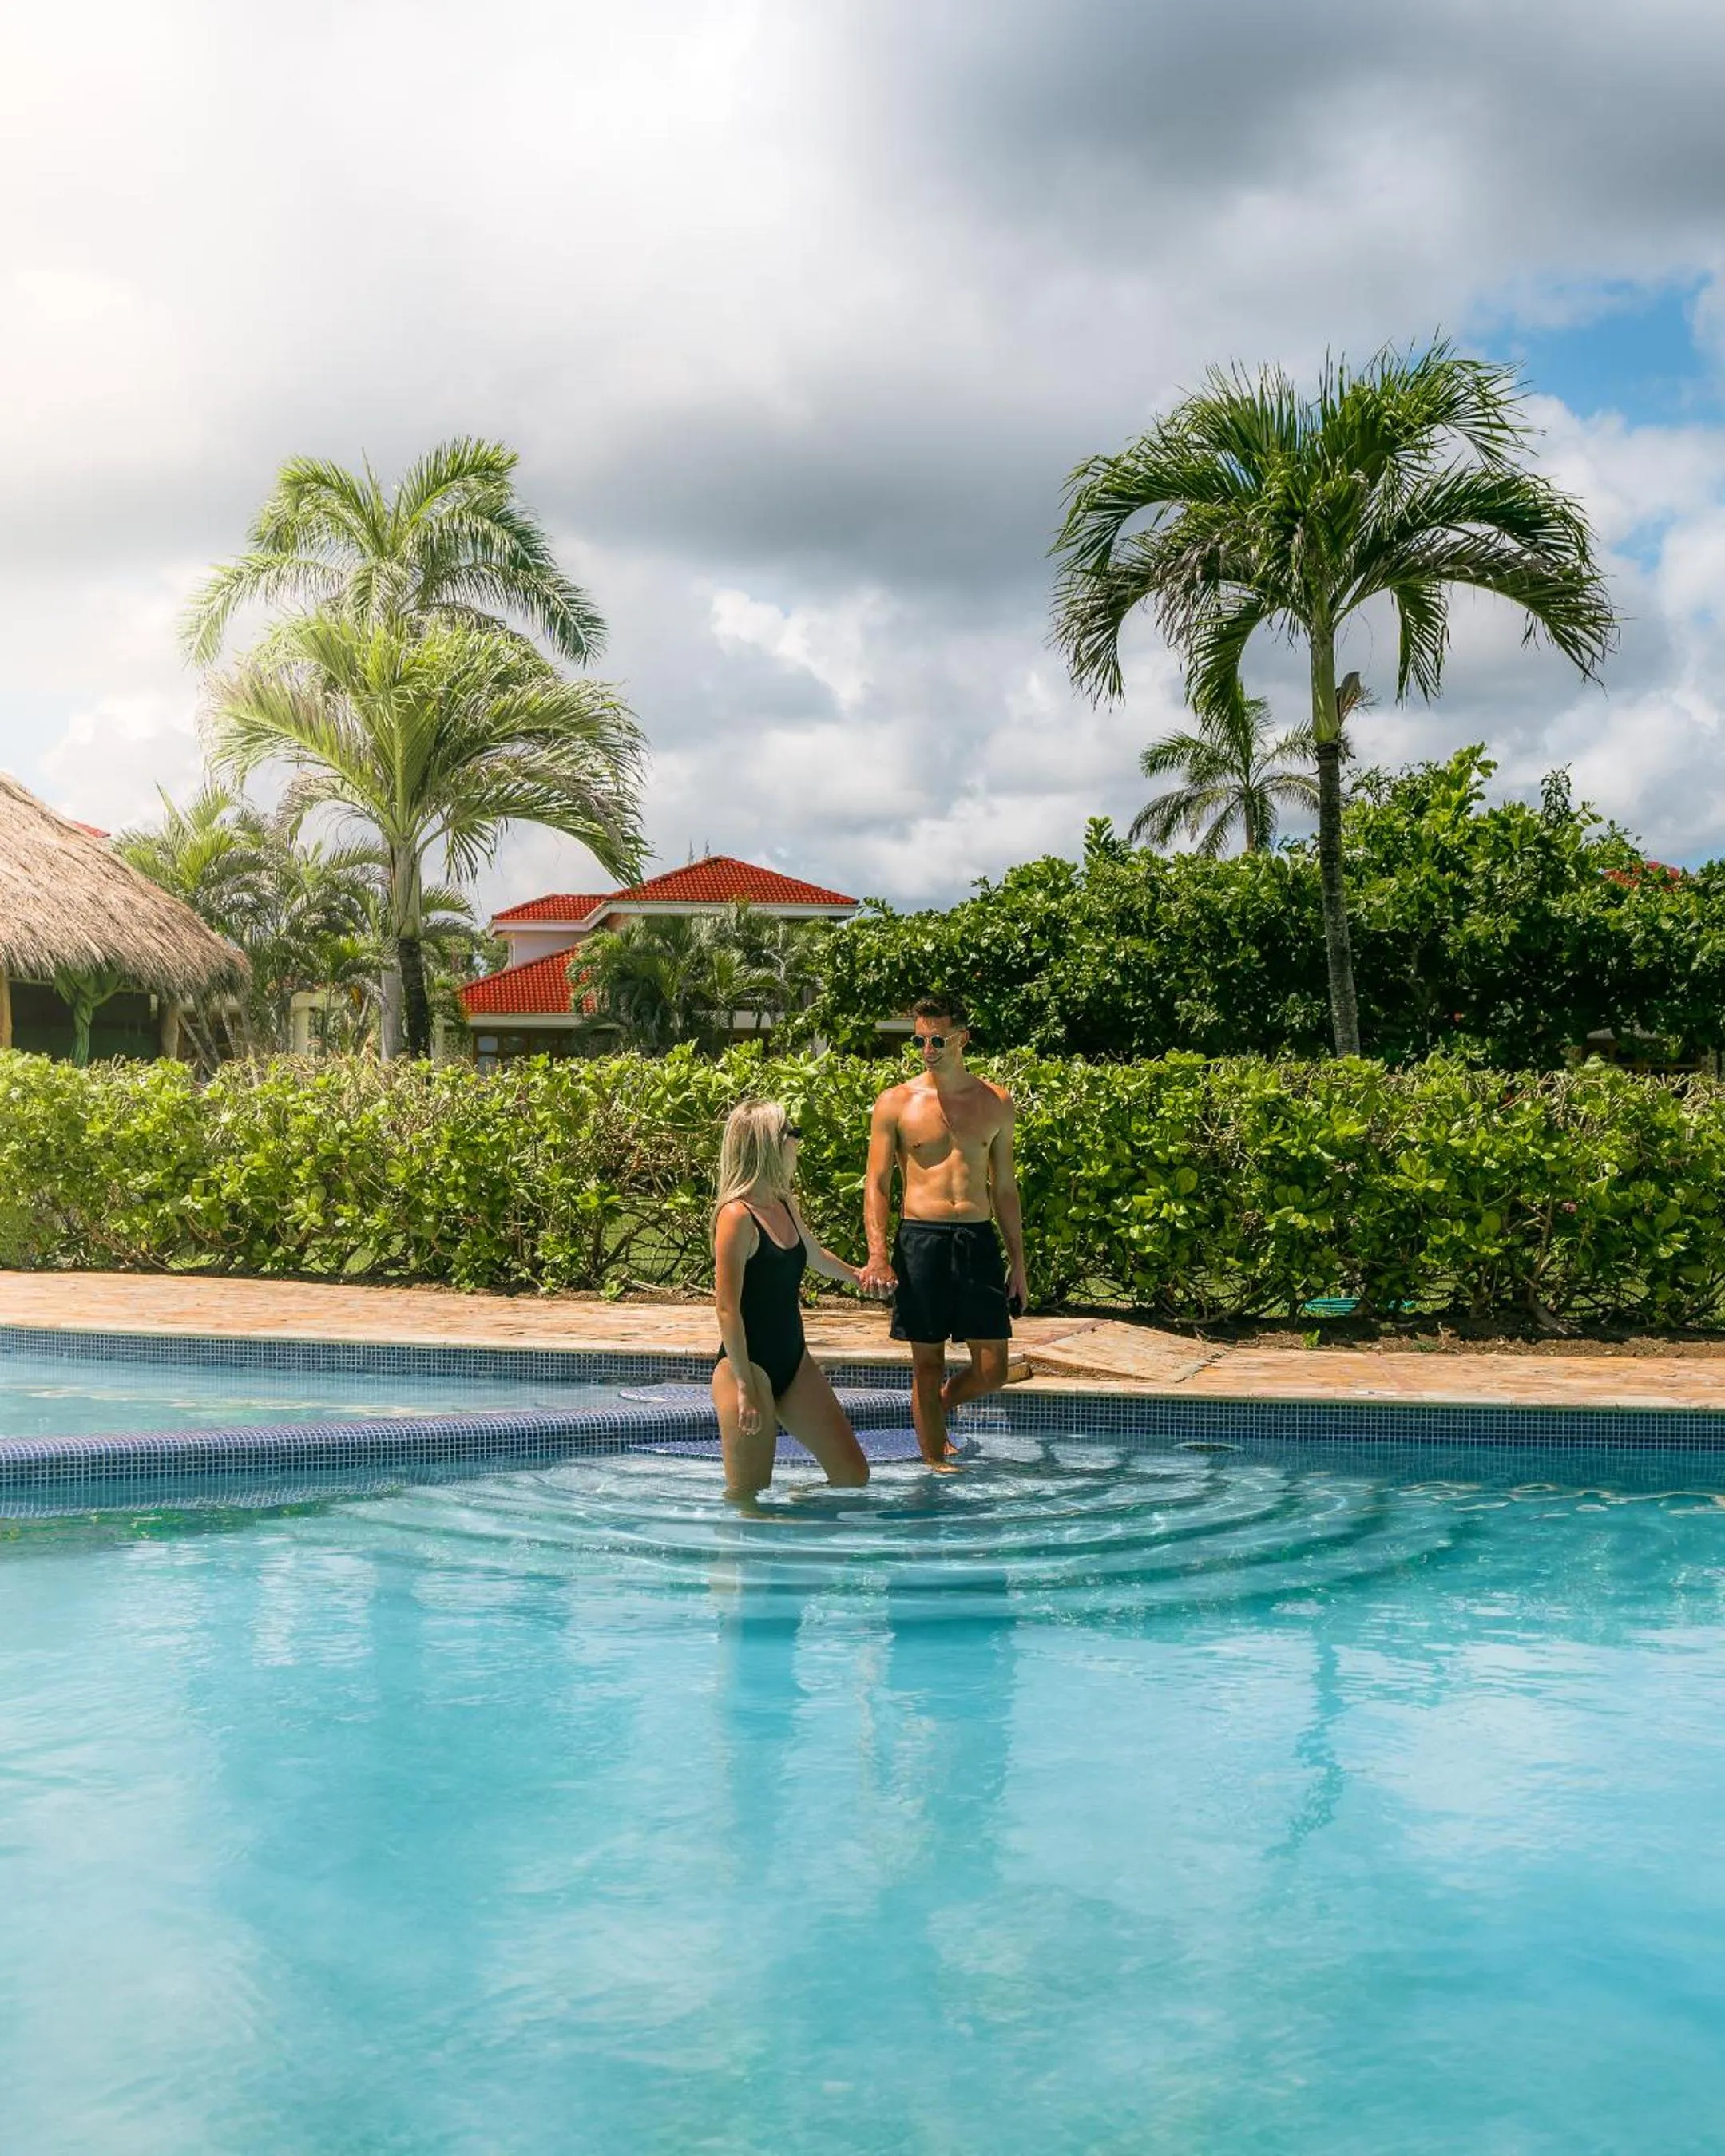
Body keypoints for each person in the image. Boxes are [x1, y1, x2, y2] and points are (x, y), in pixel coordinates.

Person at [859, 996, 1028, 1469]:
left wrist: (1018, 1262)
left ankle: (934, 1406)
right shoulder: (896, 1102)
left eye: (937, 1039)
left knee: (993, 1369)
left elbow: (1006, 1188)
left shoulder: (995, 1101)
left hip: (976, 1238)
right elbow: (877, 1184)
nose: (927, 1049)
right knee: (926, 1363)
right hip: (921, 1240)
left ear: (962, 1039)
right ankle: (935, 1462)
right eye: (919, 1040)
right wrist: (878, 1255)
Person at [712, 1098, 873, 1501]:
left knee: (853, 1475)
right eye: (791, 1133)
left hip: (793, 1361)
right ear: (768, 1144)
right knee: (748, 1498)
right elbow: (727, 1309)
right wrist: (745, 1385)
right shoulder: (736, 1216)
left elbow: (816, 1257)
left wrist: (861, 1277)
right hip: (747, 1369)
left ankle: (797, 1508)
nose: (798, 1141)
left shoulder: (783, 1202)